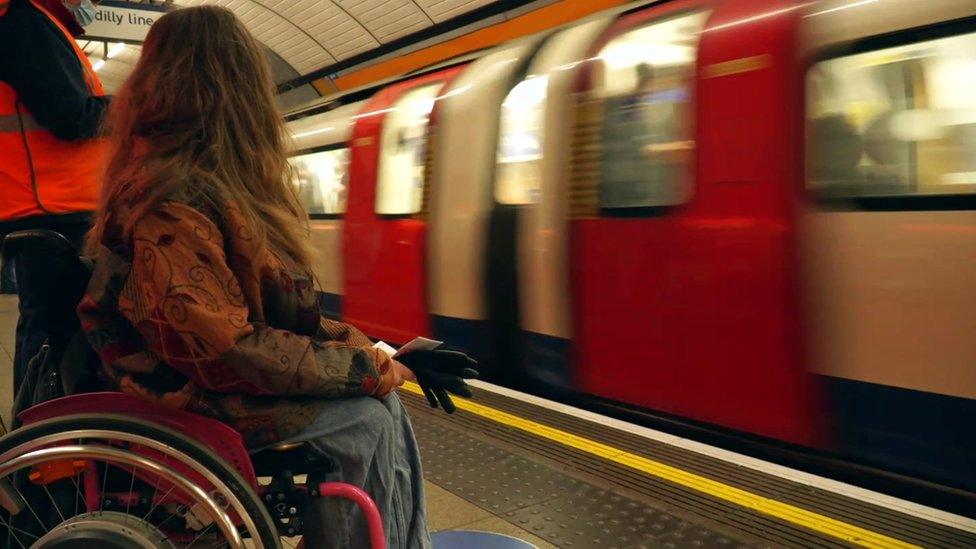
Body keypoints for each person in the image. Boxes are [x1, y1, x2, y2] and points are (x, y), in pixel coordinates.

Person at [76, 6, 474, 548]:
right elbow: (225, 351)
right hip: (170, 391)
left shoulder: (199, 185)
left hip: (189, 377)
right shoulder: (170, 201)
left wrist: (374, 358)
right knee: (363, 423)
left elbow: (276, 316)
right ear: (239, 92)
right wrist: (363, 369)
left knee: (380, 404)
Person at [0, 0, 109, 390]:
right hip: (53, 210)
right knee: (58, 337)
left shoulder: (36, 22)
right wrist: (133, 109)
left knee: (50, 331)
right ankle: (44, 435)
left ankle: (45, 433)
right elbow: (70, 116)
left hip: (49, 205)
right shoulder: (25, 22)